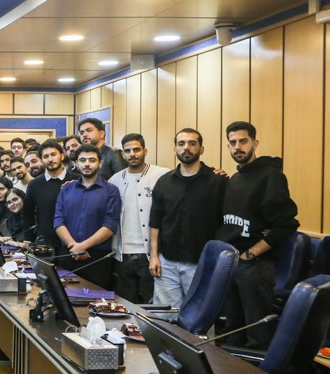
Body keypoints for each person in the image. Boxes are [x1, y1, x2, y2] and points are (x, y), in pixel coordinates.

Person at [216, 121, 299, 349]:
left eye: (243, 141)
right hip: (232, 262)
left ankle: (257, 373)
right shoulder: (235, 179)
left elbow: (286, 224)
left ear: (255, 143)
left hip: (255, 265)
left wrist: (251, 254)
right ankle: (232, 373)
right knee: (233, 329)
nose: (238, 147)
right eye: (233, 142)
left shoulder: (270, 176)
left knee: (257, 334)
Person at [149, 128, 228, 309]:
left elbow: (227, 221)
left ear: (201, 149)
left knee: (199, 318)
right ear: (175, 149)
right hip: (167, 264)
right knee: (165, 318)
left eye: (192, 143)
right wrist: (154, 256)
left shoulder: (218, 181)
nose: (186, 147)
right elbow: (155, 222)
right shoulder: (164, 182)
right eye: (181, 143)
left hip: (203, 264)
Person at [108, 133, 169, 303]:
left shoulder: (162, 175)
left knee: (152, 304)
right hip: (122, 254)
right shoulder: (115, 180)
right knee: (125, 304)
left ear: (145, 151)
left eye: (136, 149)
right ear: (122, 154)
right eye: (128, 151)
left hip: (151, 253)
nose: (132, 154)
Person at [54, 145, 120, 290]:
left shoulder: (111, 191)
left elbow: (110, 225)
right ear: (76, 163)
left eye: (92, 160)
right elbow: (58, 221)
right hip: (68, 254)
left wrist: (83, 246)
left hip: (97, 258)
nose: (87, 164)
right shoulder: (66, 189)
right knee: (65, 298)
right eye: (82, 160)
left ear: (100, 163)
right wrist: (74, 246)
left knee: (98, 300)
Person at [22, 140, 78, 251]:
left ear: (62, 156)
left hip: (74, 240)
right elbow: (27, 214)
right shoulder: (35, 184)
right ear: (42, 160)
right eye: (45, 156)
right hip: (45, 243)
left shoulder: (77, 180)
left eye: (53, 154)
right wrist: (28, 239)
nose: (50, 159)